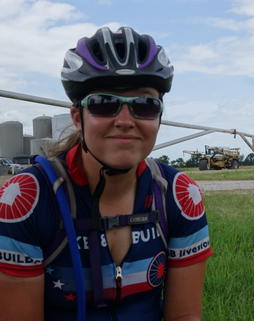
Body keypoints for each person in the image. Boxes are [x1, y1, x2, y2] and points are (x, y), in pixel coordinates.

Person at [0, 26, 212, 321]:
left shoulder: (178, 194)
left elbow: (184, 316)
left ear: (160, 117)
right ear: (77, 118)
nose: (125, 121)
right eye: (104, 104)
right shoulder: (24, 200)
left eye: (145, 105)